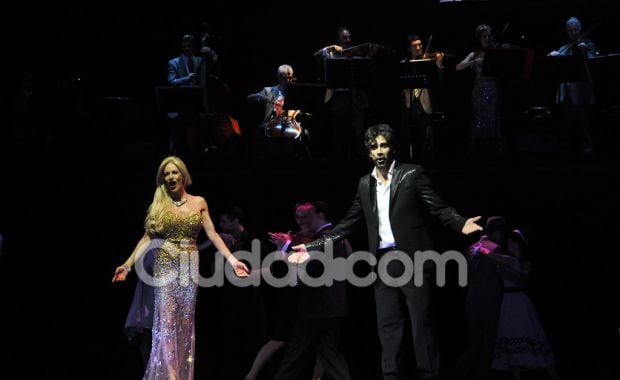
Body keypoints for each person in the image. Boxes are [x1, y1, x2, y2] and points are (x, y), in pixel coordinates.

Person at [289, 124, 483, 380]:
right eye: (374, 147)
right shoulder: (364, 184)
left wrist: (460, 222)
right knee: (388, 327)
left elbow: (438, 207)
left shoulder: (411, 174)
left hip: (414, 258)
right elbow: (347, 224)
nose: (379, 151)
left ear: (392, 147)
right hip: (382, 262)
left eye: (383, 145)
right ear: (368, 152)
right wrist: (311, 245)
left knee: (421, 325)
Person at [111, 155, 249, 380]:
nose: (170, 177)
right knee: (165, 323)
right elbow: (147, 238)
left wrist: (233, 261)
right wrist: (127, 265)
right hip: (165, 267)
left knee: (184, 324)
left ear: (183, 175)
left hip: (188, 270)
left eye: (174, 172)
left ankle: (180, 374)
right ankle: (171, 375)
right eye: (166, 174)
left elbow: (212, 234)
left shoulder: (199, 202)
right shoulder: (159, 205)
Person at [272, 201, 352, 380]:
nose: (300, 220)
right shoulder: (333, 236)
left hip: (318, 308)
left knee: (293, 356)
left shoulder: (326, 237)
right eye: (297, 217)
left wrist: (284, 247)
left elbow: (307, 266)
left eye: (305, 215)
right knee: (330, 355)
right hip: (329, 308)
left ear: (321, 215)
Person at [486, 229, 560, 380]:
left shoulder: (510, 260)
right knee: (531, 334)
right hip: (522, 301)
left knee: (513, 336)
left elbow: (488, 254)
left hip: (512, 302)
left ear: (515, 245)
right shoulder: (525, 262)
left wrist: (481, 244)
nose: (507, 244)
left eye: (509, 242)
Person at [314, 26, 379, 160]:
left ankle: (358, 162)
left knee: (358, 132)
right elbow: (316, 56)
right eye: (344, 37)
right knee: (339, 132)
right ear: (338, 39)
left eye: (349, 37)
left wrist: (370, 55)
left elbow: (366, 72)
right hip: (338, 98)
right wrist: (330, 47)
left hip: (356, 97)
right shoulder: (331, 54)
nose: (348, 40)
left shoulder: (356, 55)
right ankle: (340, 162)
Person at [456, 216, 507, 380]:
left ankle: (458, 372)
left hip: (471, 301)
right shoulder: (495, 248)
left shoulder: (470, 248)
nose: (503, 237)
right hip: (489, 302)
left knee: (475, 344)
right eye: (502, 233)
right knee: (488, 344)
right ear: (497, 232)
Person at [548, 17, 599, 160]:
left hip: (582, 93)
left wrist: (585, 51)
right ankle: (567, 156)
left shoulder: (589, 45)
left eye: (576, 30)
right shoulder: (563, 48)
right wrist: (554, 56)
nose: (573, 33)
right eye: (570, 30)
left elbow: (594, 61)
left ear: (580, 29)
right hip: (566, 94)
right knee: (566, 126)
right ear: (566, 32)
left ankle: (587, 156)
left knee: (584, 127)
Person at [165, 34, 219, 156]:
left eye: (189, 46)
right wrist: (186, 79)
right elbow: (171, 82)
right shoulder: (173, 63)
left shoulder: (199, 60)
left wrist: (209, 51)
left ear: (193, 47)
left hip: (197, 104)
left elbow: (215, 64)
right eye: (184, 46)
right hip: (181, 105)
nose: (186, 49)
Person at [456, 24, 503, 162]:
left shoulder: (496, 51)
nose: (488, 38)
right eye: (484, 36)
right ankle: (477, 152)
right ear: (479, 38)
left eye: (489, 35)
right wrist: (473, 61)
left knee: (494, 117)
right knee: (479, 118)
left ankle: (497, 151)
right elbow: (458, 67)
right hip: (479, 89)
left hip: (493, 88)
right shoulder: (475, 53)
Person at [246, 64, 310, 160]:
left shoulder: (297, 92)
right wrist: (260, 97)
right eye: (285, 78)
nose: (288, 81)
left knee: (306, 133)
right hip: (271, 122)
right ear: (279, 77)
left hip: (292, 122)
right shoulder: (268, 90)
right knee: (259, 130)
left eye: (290, 78)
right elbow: (250, 98)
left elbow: (306, 109)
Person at [400, 34, 445, 162]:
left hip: (425, 102)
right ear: (409, 49)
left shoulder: (429, 63)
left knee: (428, 136)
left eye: (420, 45)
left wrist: (439, 65)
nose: (419, 48)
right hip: (409, 103)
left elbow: (439, 81)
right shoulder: (405, 63)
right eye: (415, 46)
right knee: (408, 136)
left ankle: (428, 164)